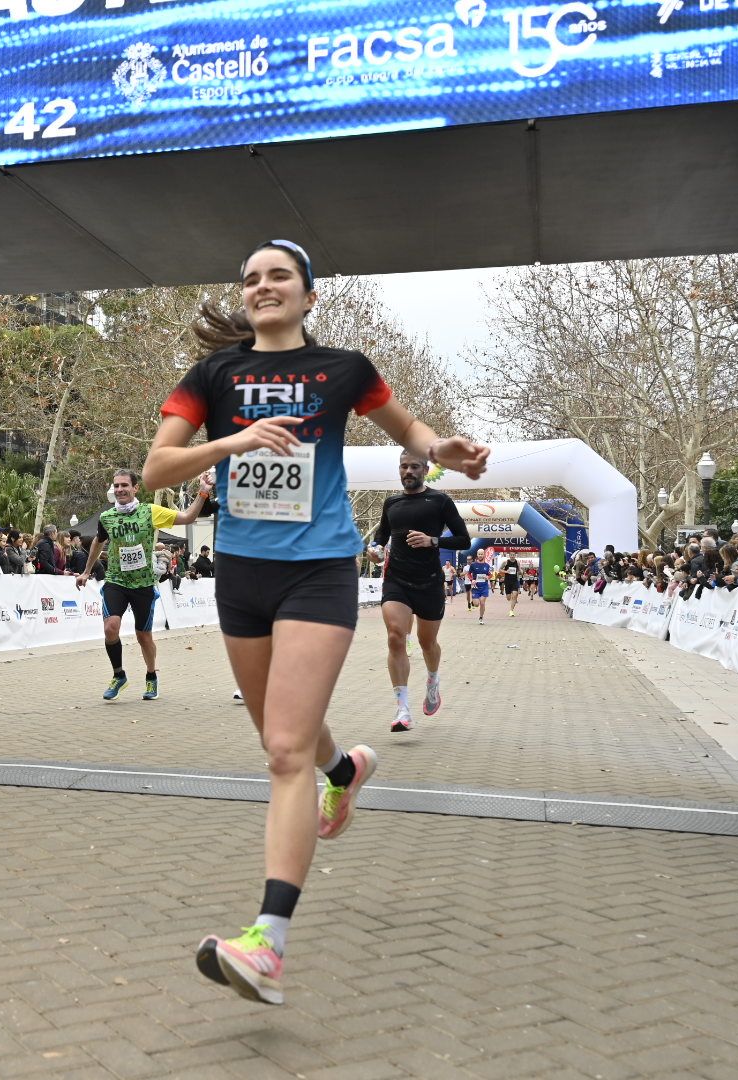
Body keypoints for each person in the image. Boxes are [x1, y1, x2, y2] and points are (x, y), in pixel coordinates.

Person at [142, 238, 488, 1006]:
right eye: (252, 279)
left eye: (280, 277)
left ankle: (268, 941)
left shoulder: (345, 371)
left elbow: (409, 433)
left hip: (318, 570)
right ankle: (346, 771)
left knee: (282, 751)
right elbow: (154, 471)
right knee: (282, 737)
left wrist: (446, 449)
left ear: (308, 295)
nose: (263, 287)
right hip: (241, 575)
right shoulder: (215, 377)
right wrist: (233, 441)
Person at [76, 468, 211, 701]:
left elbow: (188, 517)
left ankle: (151, 677)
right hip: (116, 581)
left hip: (144, 584)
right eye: (116, 486)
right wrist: (86, 571)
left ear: (135, 488)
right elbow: (98, 542)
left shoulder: (150, 512)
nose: (120, 490)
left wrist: (203, 492)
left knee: (143, 636)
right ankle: (119, 675)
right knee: (110, 628)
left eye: (124, 485)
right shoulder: (107, 518)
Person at [372, 449, 470, 731]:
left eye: (414, 467)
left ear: (425, 470)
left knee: (428, 643)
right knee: (395, 637)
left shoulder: (439, 501)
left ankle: (432, 680)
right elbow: (381, 537)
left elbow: (464, 540)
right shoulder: (391, 503)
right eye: (404, 467)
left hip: (428, 582)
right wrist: (376, 552)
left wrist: (432, 541)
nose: (408, 472)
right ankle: (402, 709)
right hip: (397, 580)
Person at [468, 551, 492, 621]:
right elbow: (469, 574)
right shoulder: (473, 565)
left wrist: (488, 577)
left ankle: (481, 617)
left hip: (484, 587)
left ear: (484, 555)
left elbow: (490, 574)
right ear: (477, 555)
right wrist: (472, 580)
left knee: (482, 602)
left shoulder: (487, 565)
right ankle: (474, 601)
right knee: (476, 604)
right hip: (476, 587)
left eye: (482, 554)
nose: (480, 555)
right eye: (479, 554)